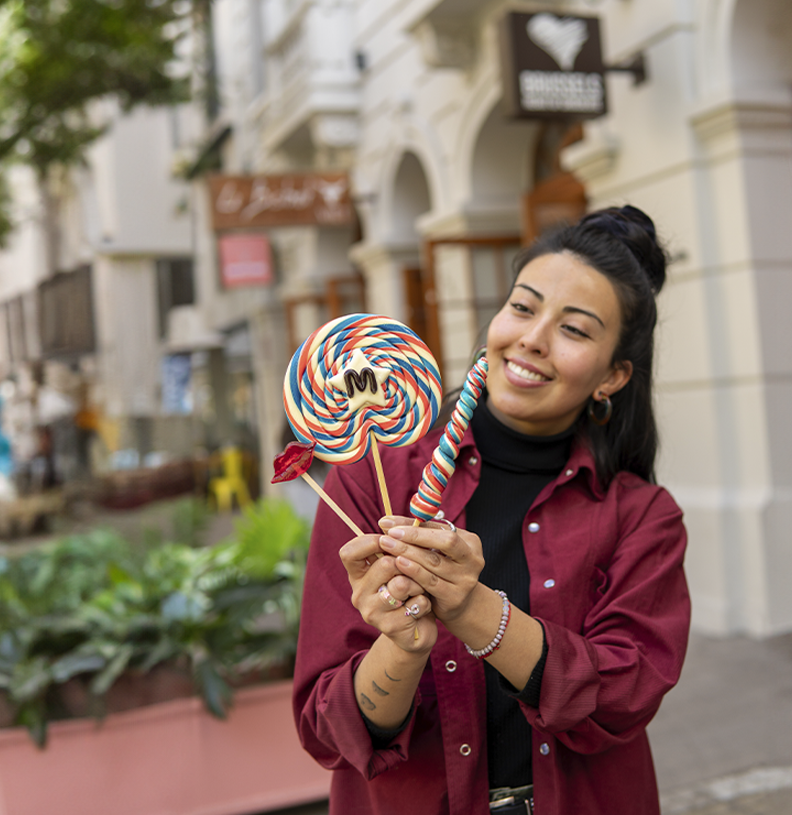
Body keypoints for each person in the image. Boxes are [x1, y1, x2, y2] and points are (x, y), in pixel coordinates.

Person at [292, 207, 689, 815]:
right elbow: (328, 731)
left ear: (612, 377)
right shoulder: (377, 479)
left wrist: (471, 607)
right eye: (523, 307)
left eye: (575, 330)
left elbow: (622, 698)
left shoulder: (640, 516)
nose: (531, 338)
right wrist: (400, 645)